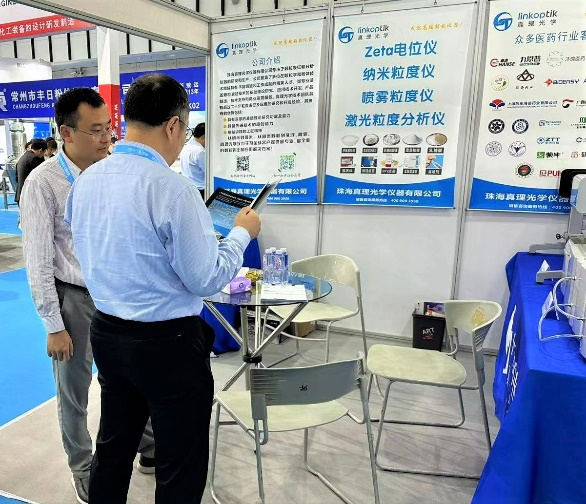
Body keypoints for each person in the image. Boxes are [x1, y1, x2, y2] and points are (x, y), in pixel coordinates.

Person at [65, 74, 261, 504]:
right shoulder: (172, 188)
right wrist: (240, 235)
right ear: (173, 126)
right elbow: (206, 279)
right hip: (167, 343)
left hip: (108, 331)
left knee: (114, 446)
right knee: (180, 460)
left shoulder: (88, 180)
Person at [19, 88, 155, 504]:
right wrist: (53, 324)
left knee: (131, 378)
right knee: (73, 392)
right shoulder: (43, 183)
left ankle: (148, 444)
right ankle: (82, 466)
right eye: (95, 130)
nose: (106, 137)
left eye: (108, 127)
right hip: (73, 299)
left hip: (118, 295)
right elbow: (38, 260)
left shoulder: (111, 170)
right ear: (66, 133)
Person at [15, 138, 46, 205]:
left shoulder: (24, 156)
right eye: (44, 152)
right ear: (40, 150)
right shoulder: (34, 158)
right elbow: (40, 177)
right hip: (28, 194)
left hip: (21, 192)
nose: (43, 155)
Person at [180, 122, 205, 198]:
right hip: (201, 190)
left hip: (189, 188)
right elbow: (208, 172)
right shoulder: (199, 151)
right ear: (204, 136)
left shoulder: (185, 147)